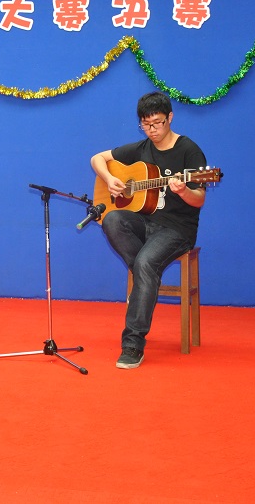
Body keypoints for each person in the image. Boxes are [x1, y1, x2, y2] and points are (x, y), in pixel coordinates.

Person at [90, 91, 206, 369]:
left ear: (170, 118)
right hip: (145, 223)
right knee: (111, 219)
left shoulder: (189, 150)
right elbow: (97, 158)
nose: (152, 130)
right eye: (146, 124)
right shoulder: (141, 148)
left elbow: (199, 199)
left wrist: (184, 190)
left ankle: (132, 344)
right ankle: (147, 278)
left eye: (157, 123)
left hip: (177, 229)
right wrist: (110, 178)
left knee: (145, 264)